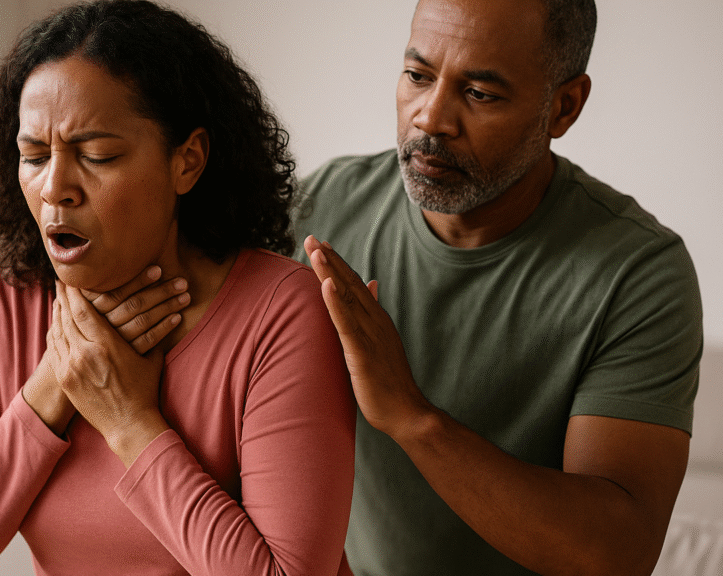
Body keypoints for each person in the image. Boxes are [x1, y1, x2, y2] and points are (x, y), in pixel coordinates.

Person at [0, 2, 356, 575]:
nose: (55, 187)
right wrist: (54, 385)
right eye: (34, 156)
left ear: (187, 162)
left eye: (97, 155)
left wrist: (128, 422)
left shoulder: (282, 312)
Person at [294, 0, 702, 575]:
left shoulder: (637, 272)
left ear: (563, 107)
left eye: (479, 93)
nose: (431, 118)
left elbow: (616, 554)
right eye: (417, 75)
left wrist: (409, 415)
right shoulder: (320, 207)